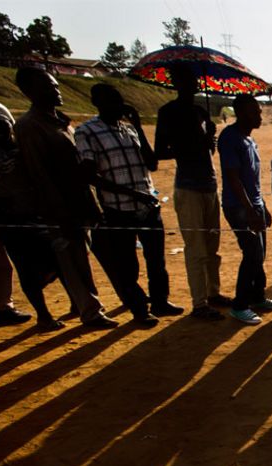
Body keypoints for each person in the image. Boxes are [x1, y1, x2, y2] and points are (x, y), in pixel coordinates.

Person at [13, 67, 117, 329]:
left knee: (85, 256)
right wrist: (58, 213)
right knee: (72, 260)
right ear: (29, 92)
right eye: (48, 86)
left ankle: (80, 302)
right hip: (60, 207)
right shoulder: (29, 127)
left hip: (81, 200)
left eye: (56, 85)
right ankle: (90, 311)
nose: (56, 90)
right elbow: (39, 175)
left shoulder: (63, 122)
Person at [76, 83, 182, 326]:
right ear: (97, 103)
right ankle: (138, 309)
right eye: (111, 101)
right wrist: (133, 195)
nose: (118, 106)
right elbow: (90, 175)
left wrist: (137, 126)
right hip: (118, 209)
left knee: (156, 260)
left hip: (148, 206)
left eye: (119, 100)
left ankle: (160, 301)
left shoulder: (129, 130)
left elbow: (152, 164)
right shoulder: (87, 131)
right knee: (127, 264)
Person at [156, 63, 230, 320]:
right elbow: (159, 152)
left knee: (212, 246)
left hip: (209, 184)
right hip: (187, 186)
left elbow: (209, 152)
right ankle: (199, 303)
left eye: (193, 80)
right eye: (185, 80)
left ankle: (213, 292)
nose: (192, 84)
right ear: (176, 83)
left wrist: (209, 138)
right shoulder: (168, 112)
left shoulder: (201, 111)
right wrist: (188, 144)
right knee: (196, 248)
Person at [0, 101, 61, 329]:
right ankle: (4, 308)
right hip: (4, 217)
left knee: (50, 258)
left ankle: (6, 305)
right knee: (4, 265)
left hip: (26, 215)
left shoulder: (20, 150)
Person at [218, 94, 272, 325]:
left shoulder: (250, 140)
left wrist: (261, 206)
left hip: (253, 205)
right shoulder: (229, 138)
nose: (259, 115)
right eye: (254, 111)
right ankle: (240, 305)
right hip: (238, 207)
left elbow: (253, 180)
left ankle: (258, 297)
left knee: (260, 253)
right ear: (242, 113)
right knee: (252, 253)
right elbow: (234, 179)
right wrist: (249, 209)